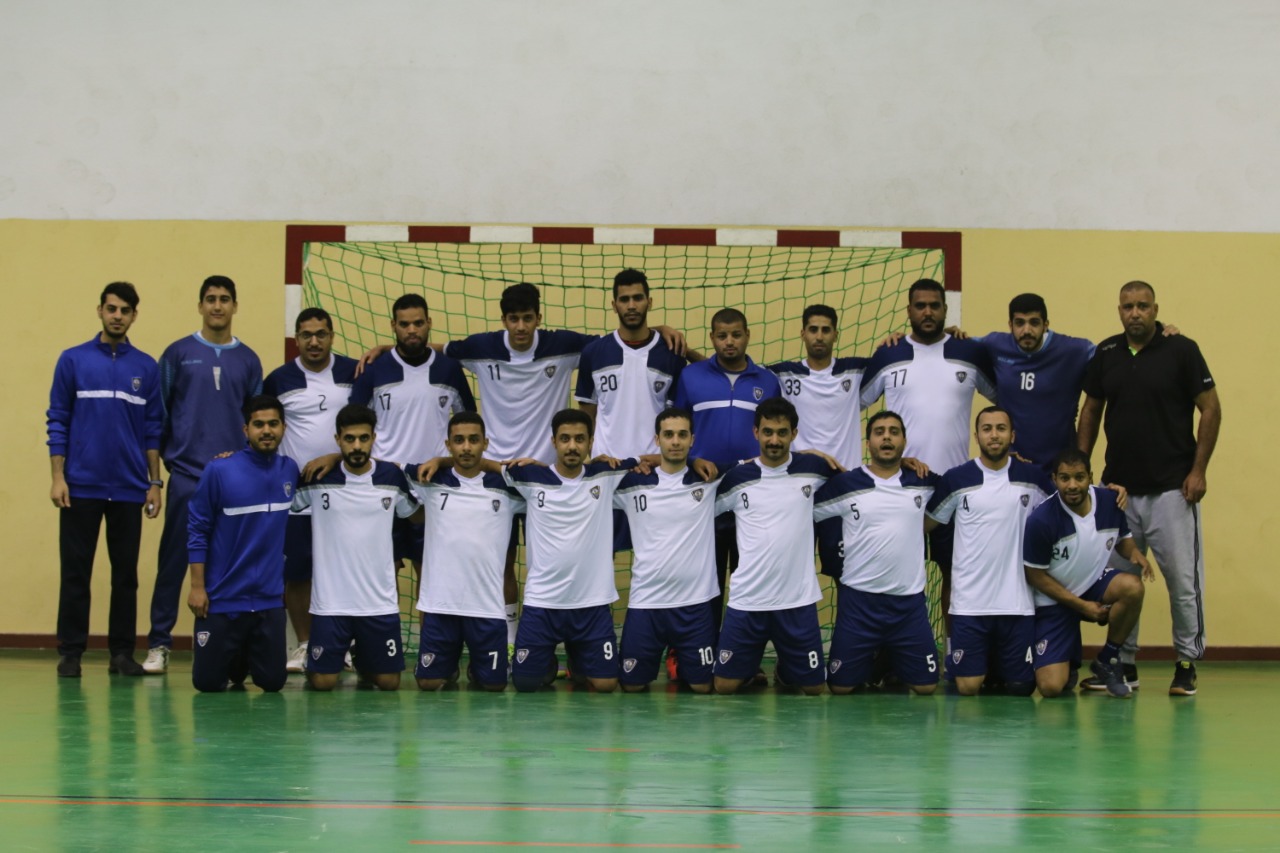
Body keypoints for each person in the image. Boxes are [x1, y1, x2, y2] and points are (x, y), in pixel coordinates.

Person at [1077, 280, 1220, 696]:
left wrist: (1199, 471)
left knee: (1183, 584)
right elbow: (1090, 410)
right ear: (1119, 311)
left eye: (1143, 306)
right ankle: (1123, 664)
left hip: (1174, 491)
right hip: (1119, 492)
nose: (1135, 313)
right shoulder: (1106, 353)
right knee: (1123, 584)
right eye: (1128, 306)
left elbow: (1211, 409)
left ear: (1156, 309)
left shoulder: (1182, 350)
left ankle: (1186, 662)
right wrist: (1082, 469)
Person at [145, 275, 263, 674]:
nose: (217, 306)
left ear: (235, 306)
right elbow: (158, 416)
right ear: (200, 306)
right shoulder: (177, 353)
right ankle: (159, 643)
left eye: (225, 299)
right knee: (174, 561)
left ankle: (220, 650)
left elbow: (257, 421)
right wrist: (159, 475)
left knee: (229, 566)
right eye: (210, 299)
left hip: (233, 480)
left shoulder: (248, 360)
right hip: (188, 476)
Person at [47, 282, 164, 678]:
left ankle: (121, 654)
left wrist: (154, 483)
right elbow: (58, 419)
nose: (117, 316)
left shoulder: (146, 367)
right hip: (79, 487)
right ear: (100, 310)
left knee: (125, 576)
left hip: (129, 489)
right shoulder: (73, 360)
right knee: (75, 573)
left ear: (134, 316)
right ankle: (71, 654)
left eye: (125, 310)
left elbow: (152, 429)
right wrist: (58, 477)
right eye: (111, 308)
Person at [861, 278, 996, 601]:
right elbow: (850, 405)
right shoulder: (888, 354)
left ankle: (953, 638)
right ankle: (899, 637)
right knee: (896, 576)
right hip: (902, 486)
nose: (927, 312)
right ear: (909, 310)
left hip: (954, 488)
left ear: (945, 310)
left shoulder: (970, 351)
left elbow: (1006, 402)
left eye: (934, 306)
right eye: (920, 306)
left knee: (957, 578)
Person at [504, 409, 636, 693]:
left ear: (591, 442)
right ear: (554, 441)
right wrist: (442, 460)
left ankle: (578, 660)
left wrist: (695, 460)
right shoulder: (531, 476)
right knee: (526, 683)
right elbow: (486, 466)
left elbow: (656, 460)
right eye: (565, 439)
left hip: (592, 604)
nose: (572, 446)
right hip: (543, 603)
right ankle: (548, 662)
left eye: (579, 439)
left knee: (606, 685)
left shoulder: (606, 473)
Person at [924, 407, 1053, 696]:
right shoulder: (957, 479)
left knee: (1021, 688)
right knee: (967, 687)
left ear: (1012, 436)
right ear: (977, 436)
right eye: (987, 429)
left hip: (1017, 604)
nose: (994, 435)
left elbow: (1066, 508)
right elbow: (925, 524)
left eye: (1000, 428)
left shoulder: (1032, 477)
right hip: (970, 605)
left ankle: (996, 666)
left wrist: (1108, 496)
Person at [814, 411, 942, 696]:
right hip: (859, 602)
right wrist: (808, 455)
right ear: (868, 442)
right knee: (840, 687)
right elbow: (802, 505)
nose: (886, 437)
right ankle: (875, 661)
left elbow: (955, 491)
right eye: (879, 431)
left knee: (927, 687)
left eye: (894, 432)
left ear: (904, 442)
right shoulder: (846, 484)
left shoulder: (922, 481)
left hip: (907, 603)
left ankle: (887, 660)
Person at [290, 405, 417, 691]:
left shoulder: (391, 477)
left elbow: (414, 514)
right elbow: (288, 502)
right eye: (349, 439)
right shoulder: (318, 477)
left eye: (363, 438)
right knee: (323, 683)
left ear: (374, 438)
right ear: (338, 439)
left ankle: (363, 657)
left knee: (389, 683)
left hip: (378, 602)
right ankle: (321, 660)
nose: (357, 446)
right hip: (330, 603)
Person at [712, 397, 830, 696]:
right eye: (767, 432)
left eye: (782, 432)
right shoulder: (736, 478)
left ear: (794, 433)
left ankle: (786, 669)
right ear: (756, 433)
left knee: (815, 688)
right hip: (748, 599)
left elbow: (858, 479)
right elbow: (699, 507)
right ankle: (749, 667)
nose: (774, 440)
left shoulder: (815, 469)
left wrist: (903, 465)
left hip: (797, 600)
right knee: (724, 687)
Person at [349, 294, 474, 575]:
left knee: (430, 571)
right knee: (383, 571)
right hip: (384, 483)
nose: (412, 330)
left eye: (418, 323)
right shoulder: (374, 369)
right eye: (404, 324)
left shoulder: (449, 369)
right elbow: (353, 426)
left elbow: (468, 424)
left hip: (432, 484)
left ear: (429, 322)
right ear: (393, 325)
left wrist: (450, 463)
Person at [263, 307, 358, 673]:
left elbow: (366, 425)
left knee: (343, 570)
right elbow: (264, 427)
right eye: (306, 335)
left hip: (345, 493)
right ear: (297, 339)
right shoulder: (278, 379)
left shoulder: (354, 372)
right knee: (299, 571)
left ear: (332, 336)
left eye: (321, 334)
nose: (314, 341)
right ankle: (304, 644)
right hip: (297, 495)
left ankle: (342, 645)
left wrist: (335, 456)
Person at [674, 308, 781, 626]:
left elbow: (775, 434)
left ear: (747, 335)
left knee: (750, 578)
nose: (729, 342)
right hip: (703, 491)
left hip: (753, 494)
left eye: (736, 335)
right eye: (722, 336)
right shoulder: (690, 377)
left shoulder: (768, 381)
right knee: (705, 579)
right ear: (712, 338)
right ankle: (703, 647)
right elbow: (677, 430)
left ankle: (742, 650)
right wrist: (691, 460)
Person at [186, 395, 298, 693]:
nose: (267, 431)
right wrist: (197, 587)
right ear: (246, 430)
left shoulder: (290, 470)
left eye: (273, 424)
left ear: (283, 428)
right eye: (258, 424)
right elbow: (197, 529)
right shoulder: (219, 471)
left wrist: (332, 458)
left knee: (273, 683)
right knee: (207, 684)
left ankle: (244, 654)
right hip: (223, 600)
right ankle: (235, 657)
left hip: (268, 602)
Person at [408, 412, 524, 692]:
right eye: (459, 441)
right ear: (448, 444)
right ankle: (447, 666)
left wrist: (494, 466)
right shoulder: (429, 479)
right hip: (441, 605)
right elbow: (379, 467)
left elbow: (549, 480)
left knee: (494, 686)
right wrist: (439, 461)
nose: (467, 447)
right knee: (428, 683)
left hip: (486, 607)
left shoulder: (507, 486)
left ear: (486, 443)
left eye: (474, 440)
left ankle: (476, 666)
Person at [1023, 448, 1153, 698]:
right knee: (1050, 687)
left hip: (1092, 584)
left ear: (1090, 477)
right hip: (1053, 600)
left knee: (1132, 587)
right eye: (1065, 478)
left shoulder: (1110, 502)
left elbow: (1122, 538)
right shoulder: (1041, 520)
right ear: (1054, 479)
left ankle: (1107, 660)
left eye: (1079, 477)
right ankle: (1068, 660)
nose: (1072, 485)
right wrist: (1082, 607)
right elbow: (1035, 576)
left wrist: (1135, 553)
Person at [614, 408, 721, 693]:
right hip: (646, 602)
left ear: (692, 440)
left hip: (695, 603)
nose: (675, 441)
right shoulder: (632, 482)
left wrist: (696, 461)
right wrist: (639, 460)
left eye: (682, 435)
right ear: (657, 439)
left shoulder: (709, 478)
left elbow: (760, 465)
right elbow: (588, 474)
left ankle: (681, 661)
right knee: (631, 686)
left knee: (702, 687)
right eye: (669, 435)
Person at [575, 269, 690, 460]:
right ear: (614, 305)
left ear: (649, 302)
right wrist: (592, 453)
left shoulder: (671, 355)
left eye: (638, 298)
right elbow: (587, 414)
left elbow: (675, 420)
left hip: (653, 465)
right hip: (606, 465)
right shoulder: (593, 353)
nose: (631, 306)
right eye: (624, 299)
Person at [979, 294, 1097, 472]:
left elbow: (1110, 357)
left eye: (1034, 323)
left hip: (1060, 470)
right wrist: (948, 334)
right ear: (1010, 325)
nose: (1026, 330)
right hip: (1013, 467)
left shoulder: (1073, 350)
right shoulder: (995, 344)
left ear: (1046, 325)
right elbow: (961, 347)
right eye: (1019, 323)